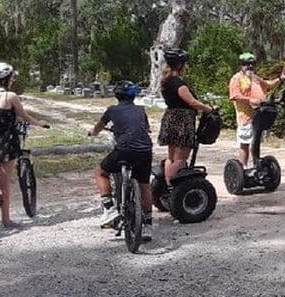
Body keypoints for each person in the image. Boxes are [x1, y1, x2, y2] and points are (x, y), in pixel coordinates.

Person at [89, 81, 155, 240]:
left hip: (124, 149)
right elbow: (146, 128)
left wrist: (93, 132)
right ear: (134, 96)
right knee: (144, 185)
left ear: (116, 95)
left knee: (101, 172)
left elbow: (98, 127)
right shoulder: (141, 110)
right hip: (145, 150)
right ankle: (147, 225)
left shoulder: (111, 110)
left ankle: (109, 208)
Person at [0, 63, 49, 229]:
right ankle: (6, 220)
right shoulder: (9, 97)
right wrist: (40, 123)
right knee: (4, 184)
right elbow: (24, 116)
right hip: (5, 143)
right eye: (11, 78)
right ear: (6, 80)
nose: (13, 80)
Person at [158, 49, 213, 185]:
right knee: (180, 158)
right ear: (179, 65)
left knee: (171, 157)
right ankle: (175, 188)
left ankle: (168, 186)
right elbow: (192, 102)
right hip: (182, 121)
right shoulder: (178, 84)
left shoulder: (166, 81)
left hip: (170, 118)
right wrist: (208, 108)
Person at [228, 52, 285, 166]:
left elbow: (268, 85)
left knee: (256, 142)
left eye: (252, 64)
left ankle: (257, 166)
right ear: (241, 65)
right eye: (246, 64)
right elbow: (235, 95)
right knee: (245, 144)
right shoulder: (236, 79)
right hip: (245, 117)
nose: (249, 66)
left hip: (259, 115)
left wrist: (280, 78)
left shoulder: (254, 78)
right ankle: (243, 168)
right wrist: (250, 100)